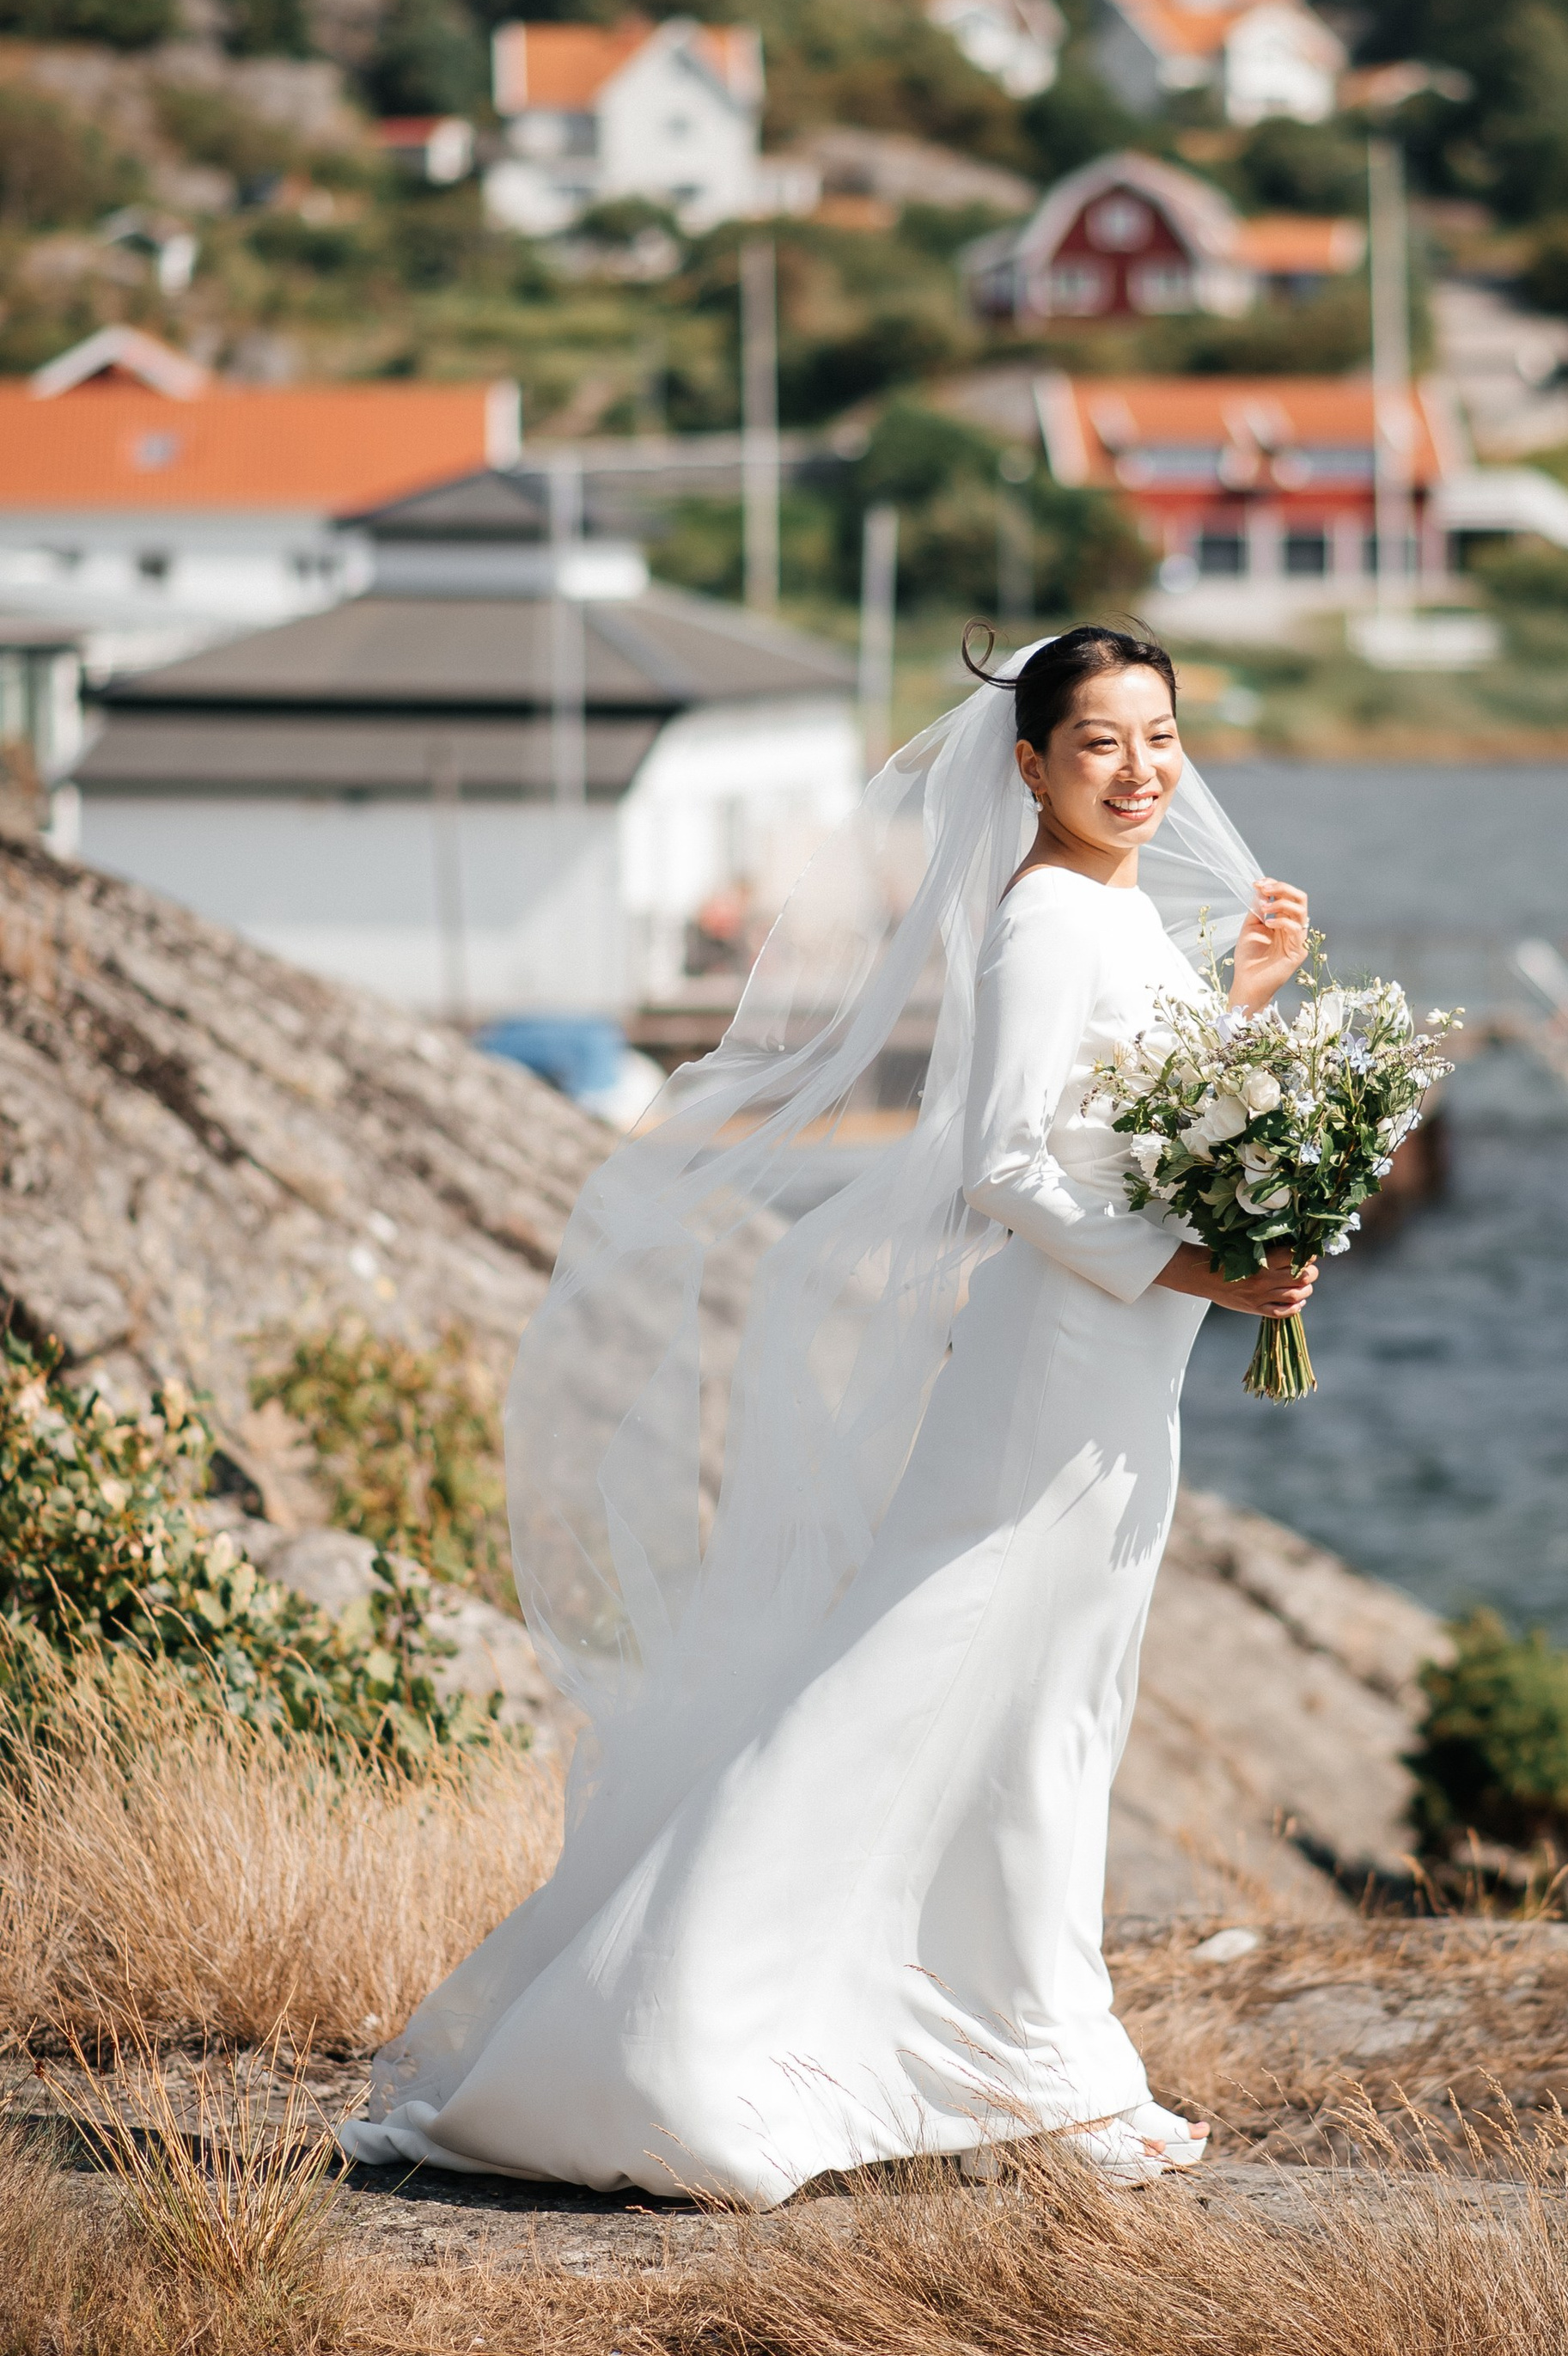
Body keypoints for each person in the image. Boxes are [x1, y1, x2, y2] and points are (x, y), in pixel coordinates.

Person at [341, 626, 1310, 2205]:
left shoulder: (1118, 917)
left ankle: (1039, 2052)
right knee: (932, 1685)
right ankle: (693, 2042)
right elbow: (1009, 1167)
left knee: (1052, 1710)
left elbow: (1130, 1117)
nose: (1139, 773)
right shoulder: (1047, 923)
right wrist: (1204, 1263)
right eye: (1098, 745)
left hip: (1125, 1358)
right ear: (1029, 767)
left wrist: (1246, 1007)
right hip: (1056, 1365)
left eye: (1161, 737)